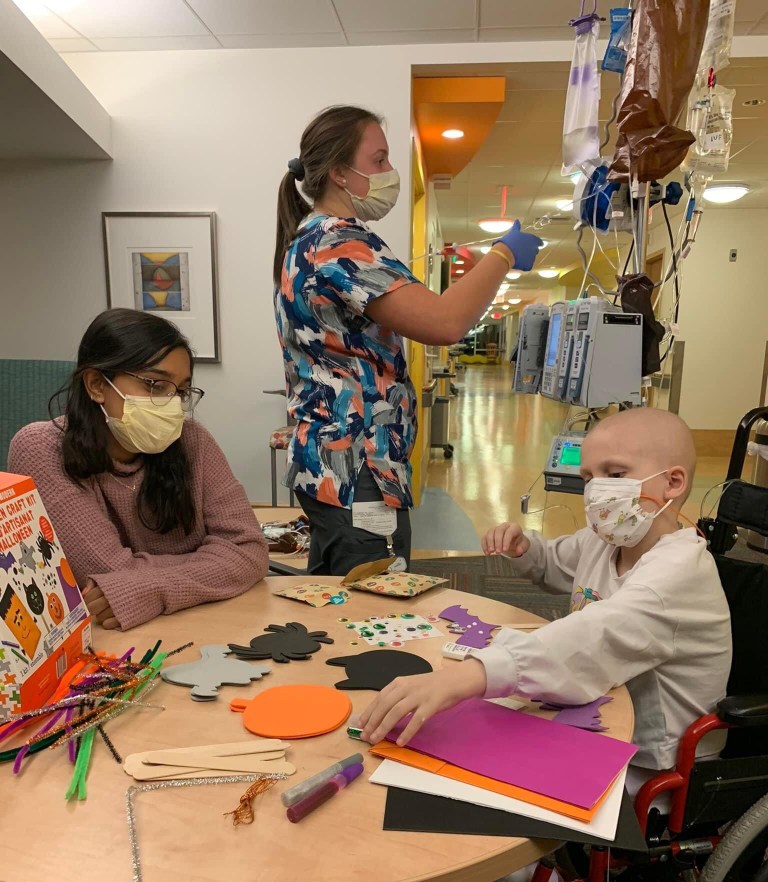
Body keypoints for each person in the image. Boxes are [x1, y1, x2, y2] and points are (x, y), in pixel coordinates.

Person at [358, 407, 732, 882]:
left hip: (650, 768)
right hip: (598, 717)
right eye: (588, 476)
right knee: (465, 745)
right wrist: (525, 548)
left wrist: (470, 676)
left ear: (672, 483)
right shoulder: (614, 539)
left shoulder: (676, 574)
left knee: (492, 810)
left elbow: (586, 640)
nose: (597, 491)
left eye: (615, 473)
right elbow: (560, 564)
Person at [273, 104, 543, 575]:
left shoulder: (307, 240)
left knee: (337, 597)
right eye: (378, 160)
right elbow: (445, 322)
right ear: (339, 173)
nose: (388, 171)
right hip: (358, 469)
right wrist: (502, 254)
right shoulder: (339, 243)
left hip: (332, 465)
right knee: (373, 603)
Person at [8, 309, 269, 632]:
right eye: (155, 386)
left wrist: (150, 588)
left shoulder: (193, 440)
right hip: (111, 639)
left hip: (206, 625)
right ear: (96, 385)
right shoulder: (42, 448)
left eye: (180, 391)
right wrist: (214, 563)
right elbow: (107, 571)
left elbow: (249, 551)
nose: (172, 404)